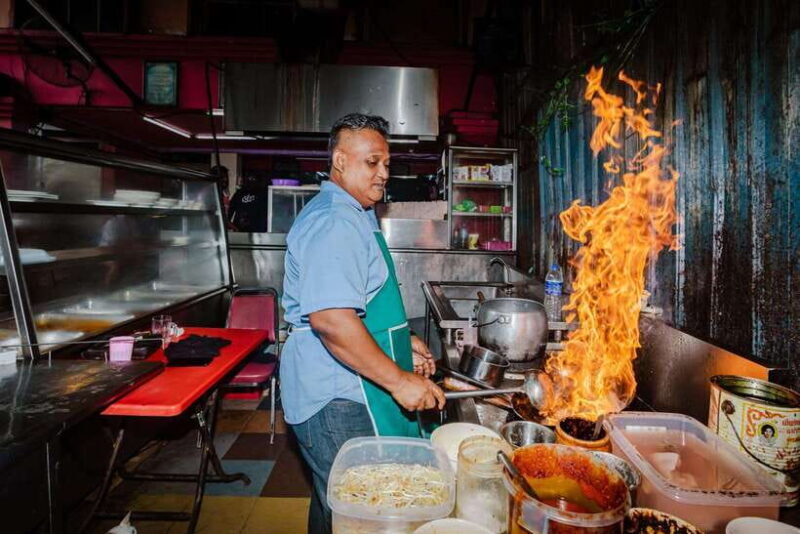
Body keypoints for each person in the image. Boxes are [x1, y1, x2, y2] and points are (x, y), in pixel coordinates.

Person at [281, 113, 445, 534]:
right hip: (335, 396)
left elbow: (361, 301)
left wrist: (402, 339)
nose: (383, 174)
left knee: (337, 505)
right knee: (361, 512)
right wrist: (399, 380)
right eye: (372, 162)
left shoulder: (354, 213)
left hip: (344, 386)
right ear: (339, 160)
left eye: (386, 164)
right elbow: (333, 320)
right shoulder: (335, 220)